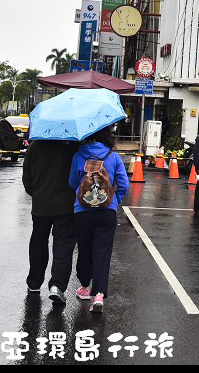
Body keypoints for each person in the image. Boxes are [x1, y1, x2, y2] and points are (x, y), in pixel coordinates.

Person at [68, 125, 129, 312]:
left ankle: (85, 287)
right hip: (107, 212)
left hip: (83, 211)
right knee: (103, 252)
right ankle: (99, 295)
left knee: (85, 249)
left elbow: (72, 182)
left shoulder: (79, 155)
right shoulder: (113, 157)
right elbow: (124, 184)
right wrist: (114, 201)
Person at [22, 139, 78, 305]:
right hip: (66, 206)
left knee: (38, 241)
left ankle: (34, 282)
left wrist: (38, 193)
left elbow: (27, 177)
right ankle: (57, 286)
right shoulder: (72, 145)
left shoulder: (35, 146)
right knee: (63, 245)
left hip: (41, 204)